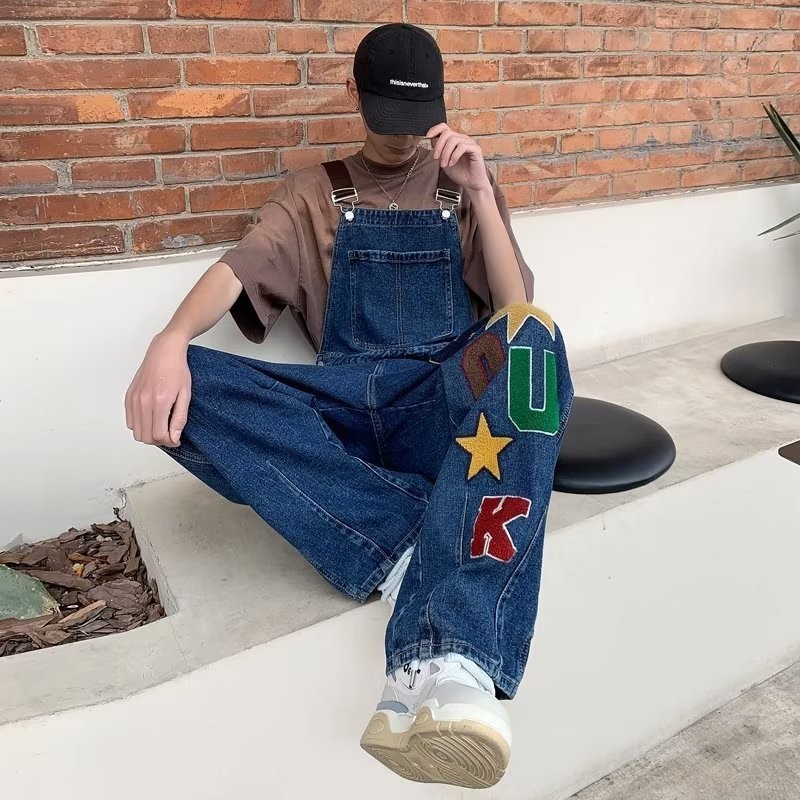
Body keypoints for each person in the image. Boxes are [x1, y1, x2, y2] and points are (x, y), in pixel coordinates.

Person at [125, 22, 573, 789]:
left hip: (439, 406)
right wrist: (168, 339)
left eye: (417, 120)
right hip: (344, 405)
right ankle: (410, 540)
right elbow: (240, 268)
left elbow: (513, 309)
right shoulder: (313, 191)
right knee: (190, 386)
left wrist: (479, 190)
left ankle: (458, 660)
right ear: (352, 96)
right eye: (388, 118)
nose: (403, 138)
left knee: (536, 343)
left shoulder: (461, 184)